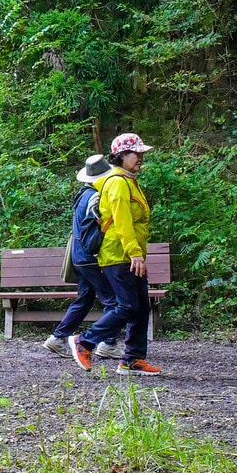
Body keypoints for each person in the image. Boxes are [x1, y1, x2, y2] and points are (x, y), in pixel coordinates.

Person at [67, 134, 161, 375]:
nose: (140, 157)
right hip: (118, 255)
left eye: (142, 153)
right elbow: (122, 221)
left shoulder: (128, 180)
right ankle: (85, 342)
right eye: (135, 153)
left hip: (129, 255)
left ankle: (132, 360)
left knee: (141, 307)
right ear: (121, 156)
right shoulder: (118, 182)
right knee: (128, 306)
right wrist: (135, 254)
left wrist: (137, 254)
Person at [44, 155, 122, 360]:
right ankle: (108, 343)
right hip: (90, 257)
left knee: (85, 299)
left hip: (79, 256)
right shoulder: (96, 197)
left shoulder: (82, 195)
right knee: (114, 302)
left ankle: (58, 338)